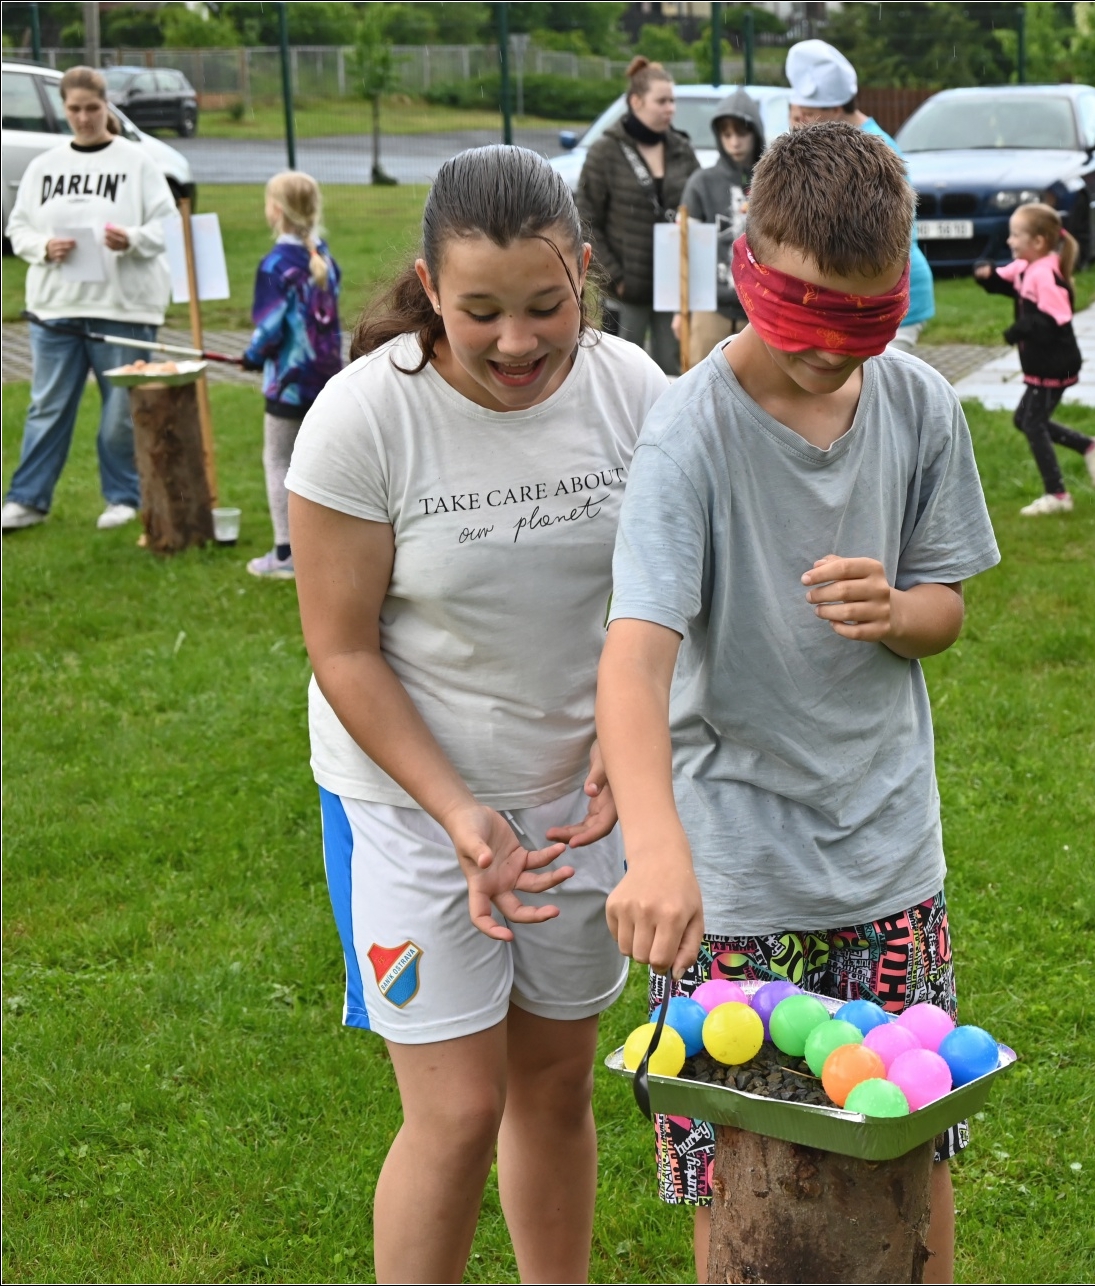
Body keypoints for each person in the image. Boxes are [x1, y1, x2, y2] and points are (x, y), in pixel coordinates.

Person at [597, 123, 999, 1284]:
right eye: (804, 310)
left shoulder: (920, 407)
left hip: (888, 859)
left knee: (909, 1139)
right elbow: (633, 660)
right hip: (734, 877)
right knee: (737, 1171)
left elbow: (946, 607)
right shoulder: (690, 433)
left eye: (863, 320)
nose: (829, 348)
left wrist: (898, 609)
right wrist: (657, 850)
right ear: (746, 265)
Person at [284, 146, 671, 1282]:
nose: (516, 343)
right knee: (455, 1111)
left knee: (555, 1083)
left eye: (546, 306)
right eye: (480, 312)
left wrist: (623, 740)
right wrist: (458, 814)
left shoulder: (634, 391)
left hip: (571, 804)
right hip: (408, 805)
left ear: (585, 271)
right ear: (427, 286)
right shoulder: (364, 418)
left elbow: (666, 600)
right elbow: (342, 649)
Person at [2, 66, 175, 534]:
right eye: (75, 109)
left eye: (92, 108)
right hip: (56, 307)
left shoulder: (137, 163)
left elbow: (167, 227)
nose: (83, 118)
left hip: (122, 306)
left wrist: (131, 239)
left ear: (106, 107)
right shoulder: (44, 166)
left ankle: (122, 497)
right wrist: (44, 247)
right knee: (48, 406)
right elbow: (18, 228)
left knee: (121, 411)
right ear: (64, 109)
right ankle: (27, 499)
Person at [784, 39, 935, 347]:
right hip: (863, 294)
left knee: (879, 377)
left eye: (808, 113)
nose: (803, 123)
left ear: (836, 108)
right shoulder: (839, 142)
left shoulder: (874, 149)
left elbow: (887, 236)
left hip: (888, 296)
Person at [973, 202, 1095, 516]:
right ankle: (1089, 446)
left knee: (1032, 422)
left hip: (1055, 364)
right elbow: (1005, 281)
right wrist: (985, 274)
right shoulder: (1027, 267)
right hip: (1044, 364)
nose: (1009, 240)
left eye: (1015, 235)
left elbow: (1056, 318)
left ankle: (1058, 494)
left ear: (1038, 241)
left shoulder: (1045, 274)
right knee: (1024, 419)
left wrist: (1018, 330)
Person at [237, 170, 342, 580]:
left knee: (279, 459)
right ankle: (328, 545)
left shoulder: (276, 265)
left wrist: (251, 356)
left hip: (289, 383)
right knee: (317, 461)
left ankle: (287, 553)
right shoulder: (323, 256)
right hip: (327, 378)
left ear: (276, 211)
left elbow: (270, 327)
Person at [575, 56, 698, 370]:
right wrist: (616, 277)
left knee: (673, 369)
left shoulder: (681, 149)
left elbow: (699, 207)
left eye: (672, 101)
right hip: (625, 291)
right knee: (618, 370)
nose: (670, 108)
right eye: (662, 101)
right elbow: (586, 220)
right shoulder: (605, 152)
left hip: (673, 286)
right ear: (636, 102)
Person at [678, 87, 762, 365]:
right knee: (701, 381)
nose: (734, 142)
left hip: (760, 306)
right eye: (726, 134)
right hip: (710, 304)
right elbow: (684, 250)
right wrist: (680, 310)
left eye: (741, 133)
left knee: (757, 385)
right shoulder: (701, 183)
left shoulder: (772, 181)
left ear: (756, 132)